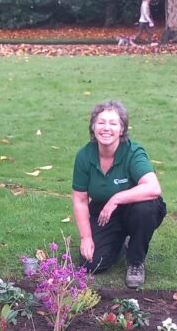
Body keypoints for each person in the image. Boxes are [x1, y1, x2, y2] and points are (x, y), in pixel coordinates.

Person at [72, 101, 167, 288]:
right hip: (104, 214)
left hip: (135, 208)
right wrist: (86, 237)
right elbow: (80, 200)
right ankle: (119, 244)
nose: (106, 128)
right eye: (101, 122)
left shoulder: (134, 152)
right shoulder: (84, 156)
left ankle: (136, 261)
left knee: (146, 209)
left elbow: (153, 188)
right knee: (91, 264)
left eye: (113, 123)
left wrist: (116, 199)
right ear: (93, 127)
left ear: (122, 129)